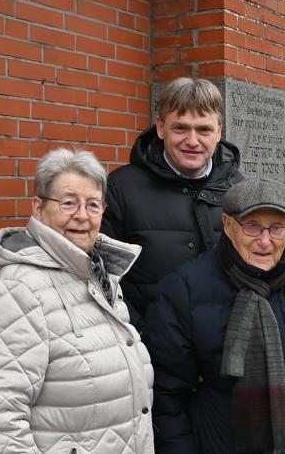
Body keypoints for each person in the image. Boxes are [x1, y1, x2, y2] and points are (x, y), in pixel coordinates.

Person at [145, 178, 285, 454]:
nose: (264, 241)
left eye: (276, 228)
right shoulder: (185, 290)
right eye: (252, 226)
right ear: (227, 224)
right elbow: (167, 397)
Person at [0, 148, 154, 454]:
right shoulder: (17, 290)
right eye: (68, 203)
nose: (82, 215)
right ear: (37, 208)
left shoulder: (100, 276)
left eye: (93, 205)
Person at [102, 77, 243, 328]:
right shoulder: (119, 189)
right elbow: (104, 277)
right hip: (149, 349)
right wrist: (146, 337)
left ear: (219, 131)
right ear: (160, 127)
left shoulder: (241, 191)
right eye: (180, 128)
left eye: (204, 129)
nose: (192, 140)